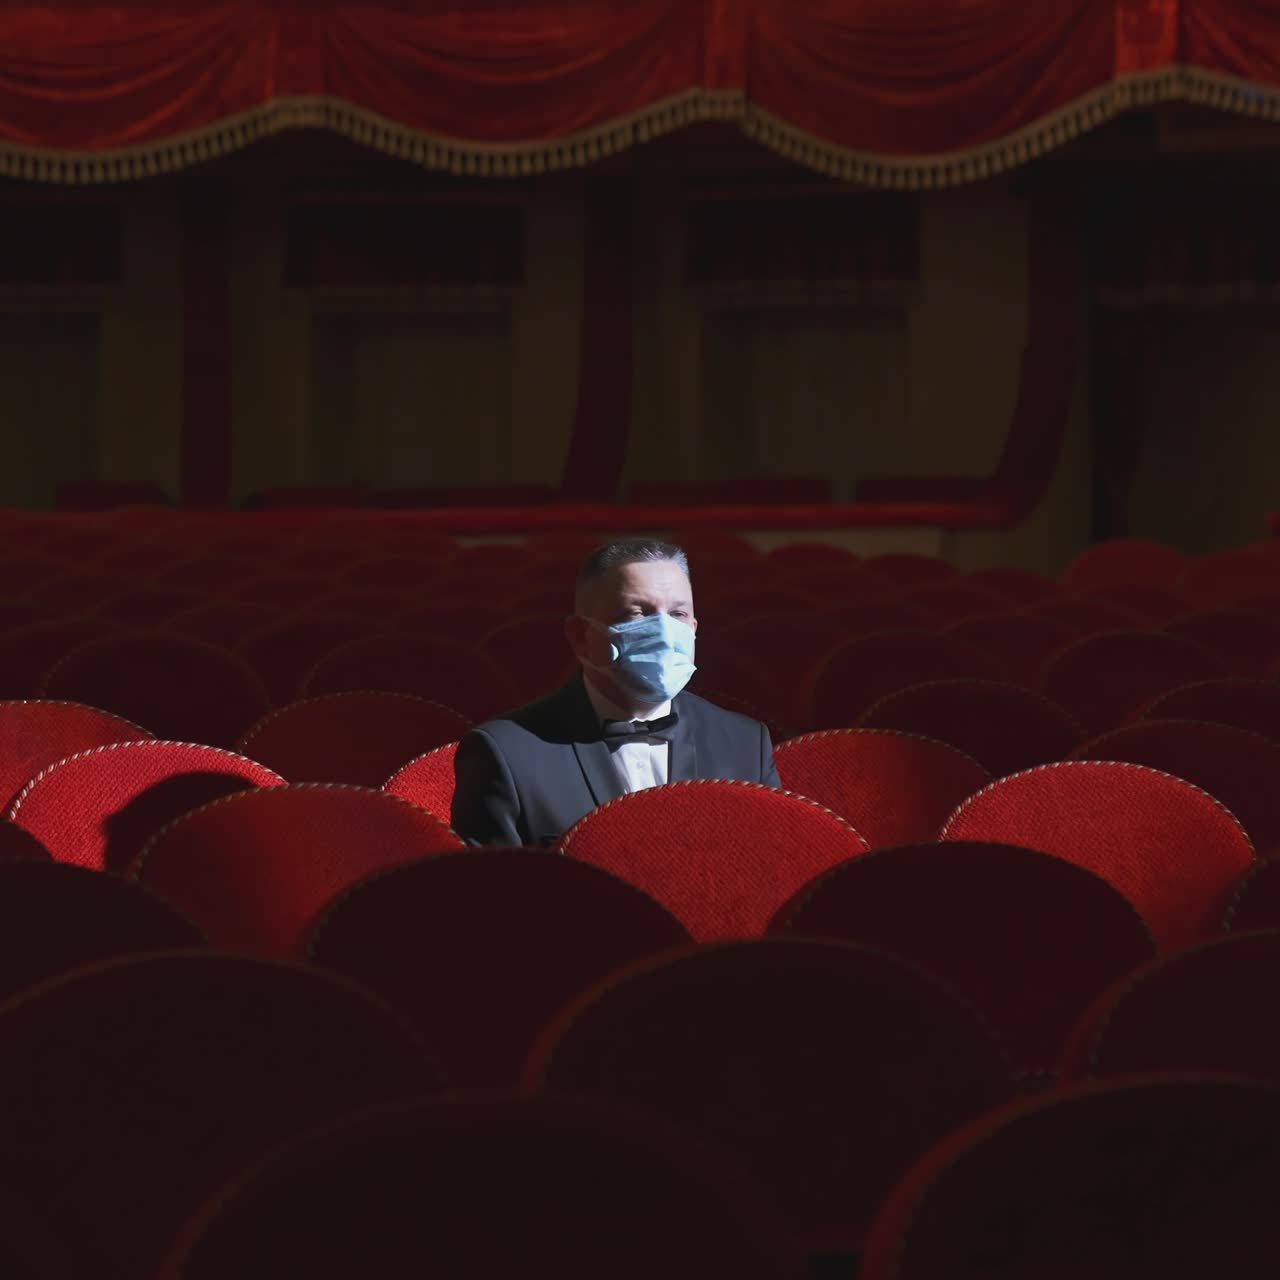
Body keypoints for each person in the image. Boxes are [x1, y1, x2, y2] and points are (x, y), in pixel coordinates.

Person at [451, 537, 781, 846]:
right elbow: (493, 896)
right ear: (581, 636)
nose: (665, 632)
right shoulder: (507, 753)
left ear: (694, 629)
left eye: (678, 614)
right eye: (637, 614)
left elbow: (768, 870)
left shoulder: (746, 744)